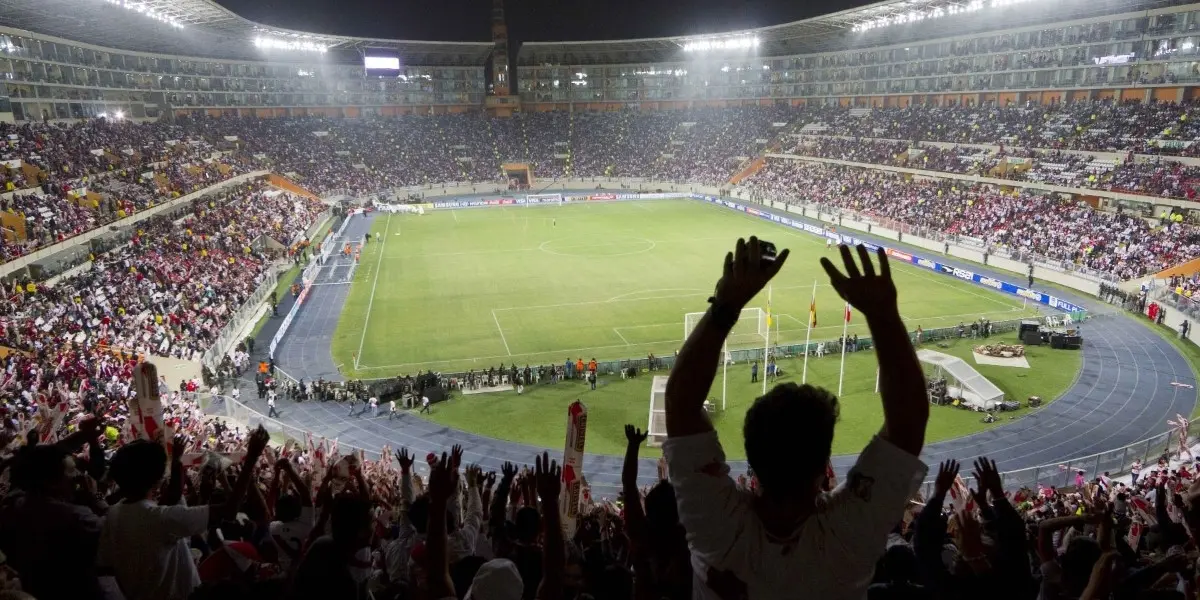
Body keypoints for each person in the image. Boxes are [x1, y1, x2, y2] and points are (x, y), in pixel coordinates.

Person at [663, 238, 929, 599]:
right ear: (824, 468)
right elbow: (909, 421)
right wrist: (883, 314)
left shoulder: (716, 526)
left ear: (752, 462)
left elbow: (680, 403)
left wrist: (727, 304)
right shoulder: (850, 535)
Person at [96, 426, 270, 600]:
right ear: (157, 480)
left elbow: (104, 568)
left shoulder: (114, 513)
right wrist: (251, 458)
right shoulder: (162, 520)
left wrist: (177, 460)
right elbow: (229, 511)